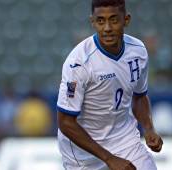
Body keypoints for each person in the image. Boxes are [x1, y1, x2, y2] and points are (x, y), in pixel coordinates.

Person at [56, 0, 163, 170]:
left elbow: (140, 96)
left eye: (113, 20)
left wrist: (149, 128)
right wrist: (109, 159)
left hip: (124, 140)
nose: (107, 28)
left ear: (126, 20)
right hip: (84, 154)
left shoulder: (138, 51)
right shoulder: (78, 63)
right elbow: (66, 122)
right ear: (93, 22)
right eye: (100, 21)